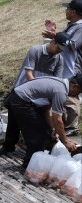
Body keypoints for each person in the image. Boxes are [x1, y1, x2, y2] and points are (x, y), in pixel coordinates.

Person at [0, 33, 68, 154]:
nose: (58, 52)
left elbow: (56, 80)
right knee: (13, 123)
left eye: (61, 51)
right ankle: (8, 147)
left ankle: (42, 150)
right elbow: (28, 74)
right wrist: (37, 89)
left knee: (39, 126)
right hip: (23, 90)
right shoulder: (35, 50)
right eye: (58, 48)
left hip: (42, 96)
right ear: (53, 41)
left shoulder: (59, 59)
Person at [5, 74, 81, 168]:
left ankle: (7, 149)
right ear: (75, 86)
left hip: (15, 96)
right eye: (79, 92)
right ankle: (28, 166)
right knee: (38, 135)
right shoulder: (61, 91)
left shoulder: (58, 83)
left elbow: (46, 109)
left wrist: (53, 129)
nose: (77, 95)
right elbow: (57, 119)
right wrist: (65, 141)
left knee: (14, 126)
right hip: (22, 101)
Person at [42, 0, 82, 136]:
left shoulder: (81, 27)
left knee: (71, 96)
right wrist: (55, 34)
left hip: (73, 66)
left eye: (68, 8)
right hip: (64, 65)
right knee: (64, 95)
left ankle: (72, 127)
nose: (66, 11)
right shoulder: (72, 26)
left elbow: (72, 45)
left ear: (73, 12)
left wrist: (56, 35)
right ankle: (65, 124)